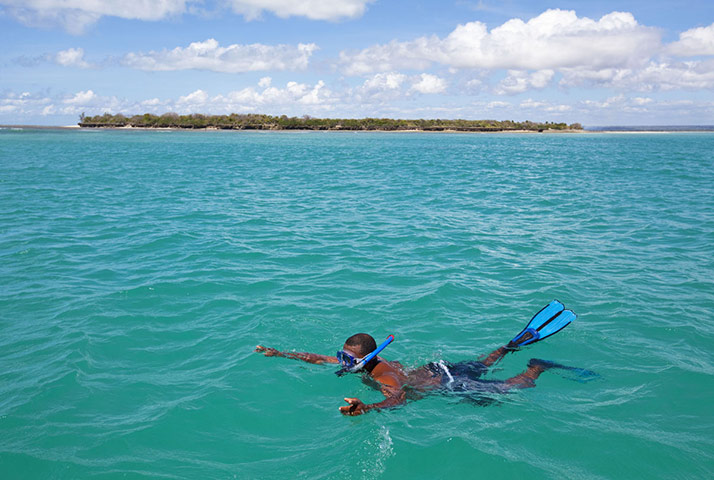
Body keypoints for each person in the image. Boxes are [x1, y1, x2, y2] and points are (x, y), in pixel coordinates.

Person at [255, 300, 587, 416]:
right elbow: (319, 359)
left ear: (367, 357)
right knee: (485, 362)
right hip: (436, 367)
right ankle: (510, 346)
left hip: (448, 382)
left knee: (511, 391)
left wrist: (369, 408)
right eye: (342, 356)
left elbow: (399, 398)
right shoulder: (361, 362)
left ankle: (535, 368)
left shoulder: (382, 375)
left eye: (348, 358)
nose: (342, 362)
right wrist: (282, 354)